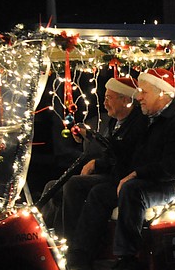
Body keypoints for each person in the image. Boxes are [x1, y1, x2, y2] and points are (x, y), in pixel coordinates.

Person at [68, 67, 175, 270]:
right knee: (100, 193)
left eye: (144, 92)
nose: (138, 96)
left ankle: (129, 260)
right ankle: (81, 254)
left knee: (133, 190)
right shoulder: (149, 119)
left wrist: (136, 174)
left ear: (162, 93)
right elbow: (129, 152)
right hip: (157, 179)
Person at [39, 76, 147, 240]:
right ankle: (46, 236)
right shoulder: (114, 122)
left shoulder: (138, 124)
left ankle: (70, 240)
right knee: (52, 186)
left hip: (120, 176)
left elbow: (120, 155)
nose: (105, 103)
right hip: (109, 171)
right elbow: (107, 146)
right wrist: (88, 136)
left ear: (125, 100)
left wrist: (97, 163)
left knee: (73, 184)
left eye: (109, 98)